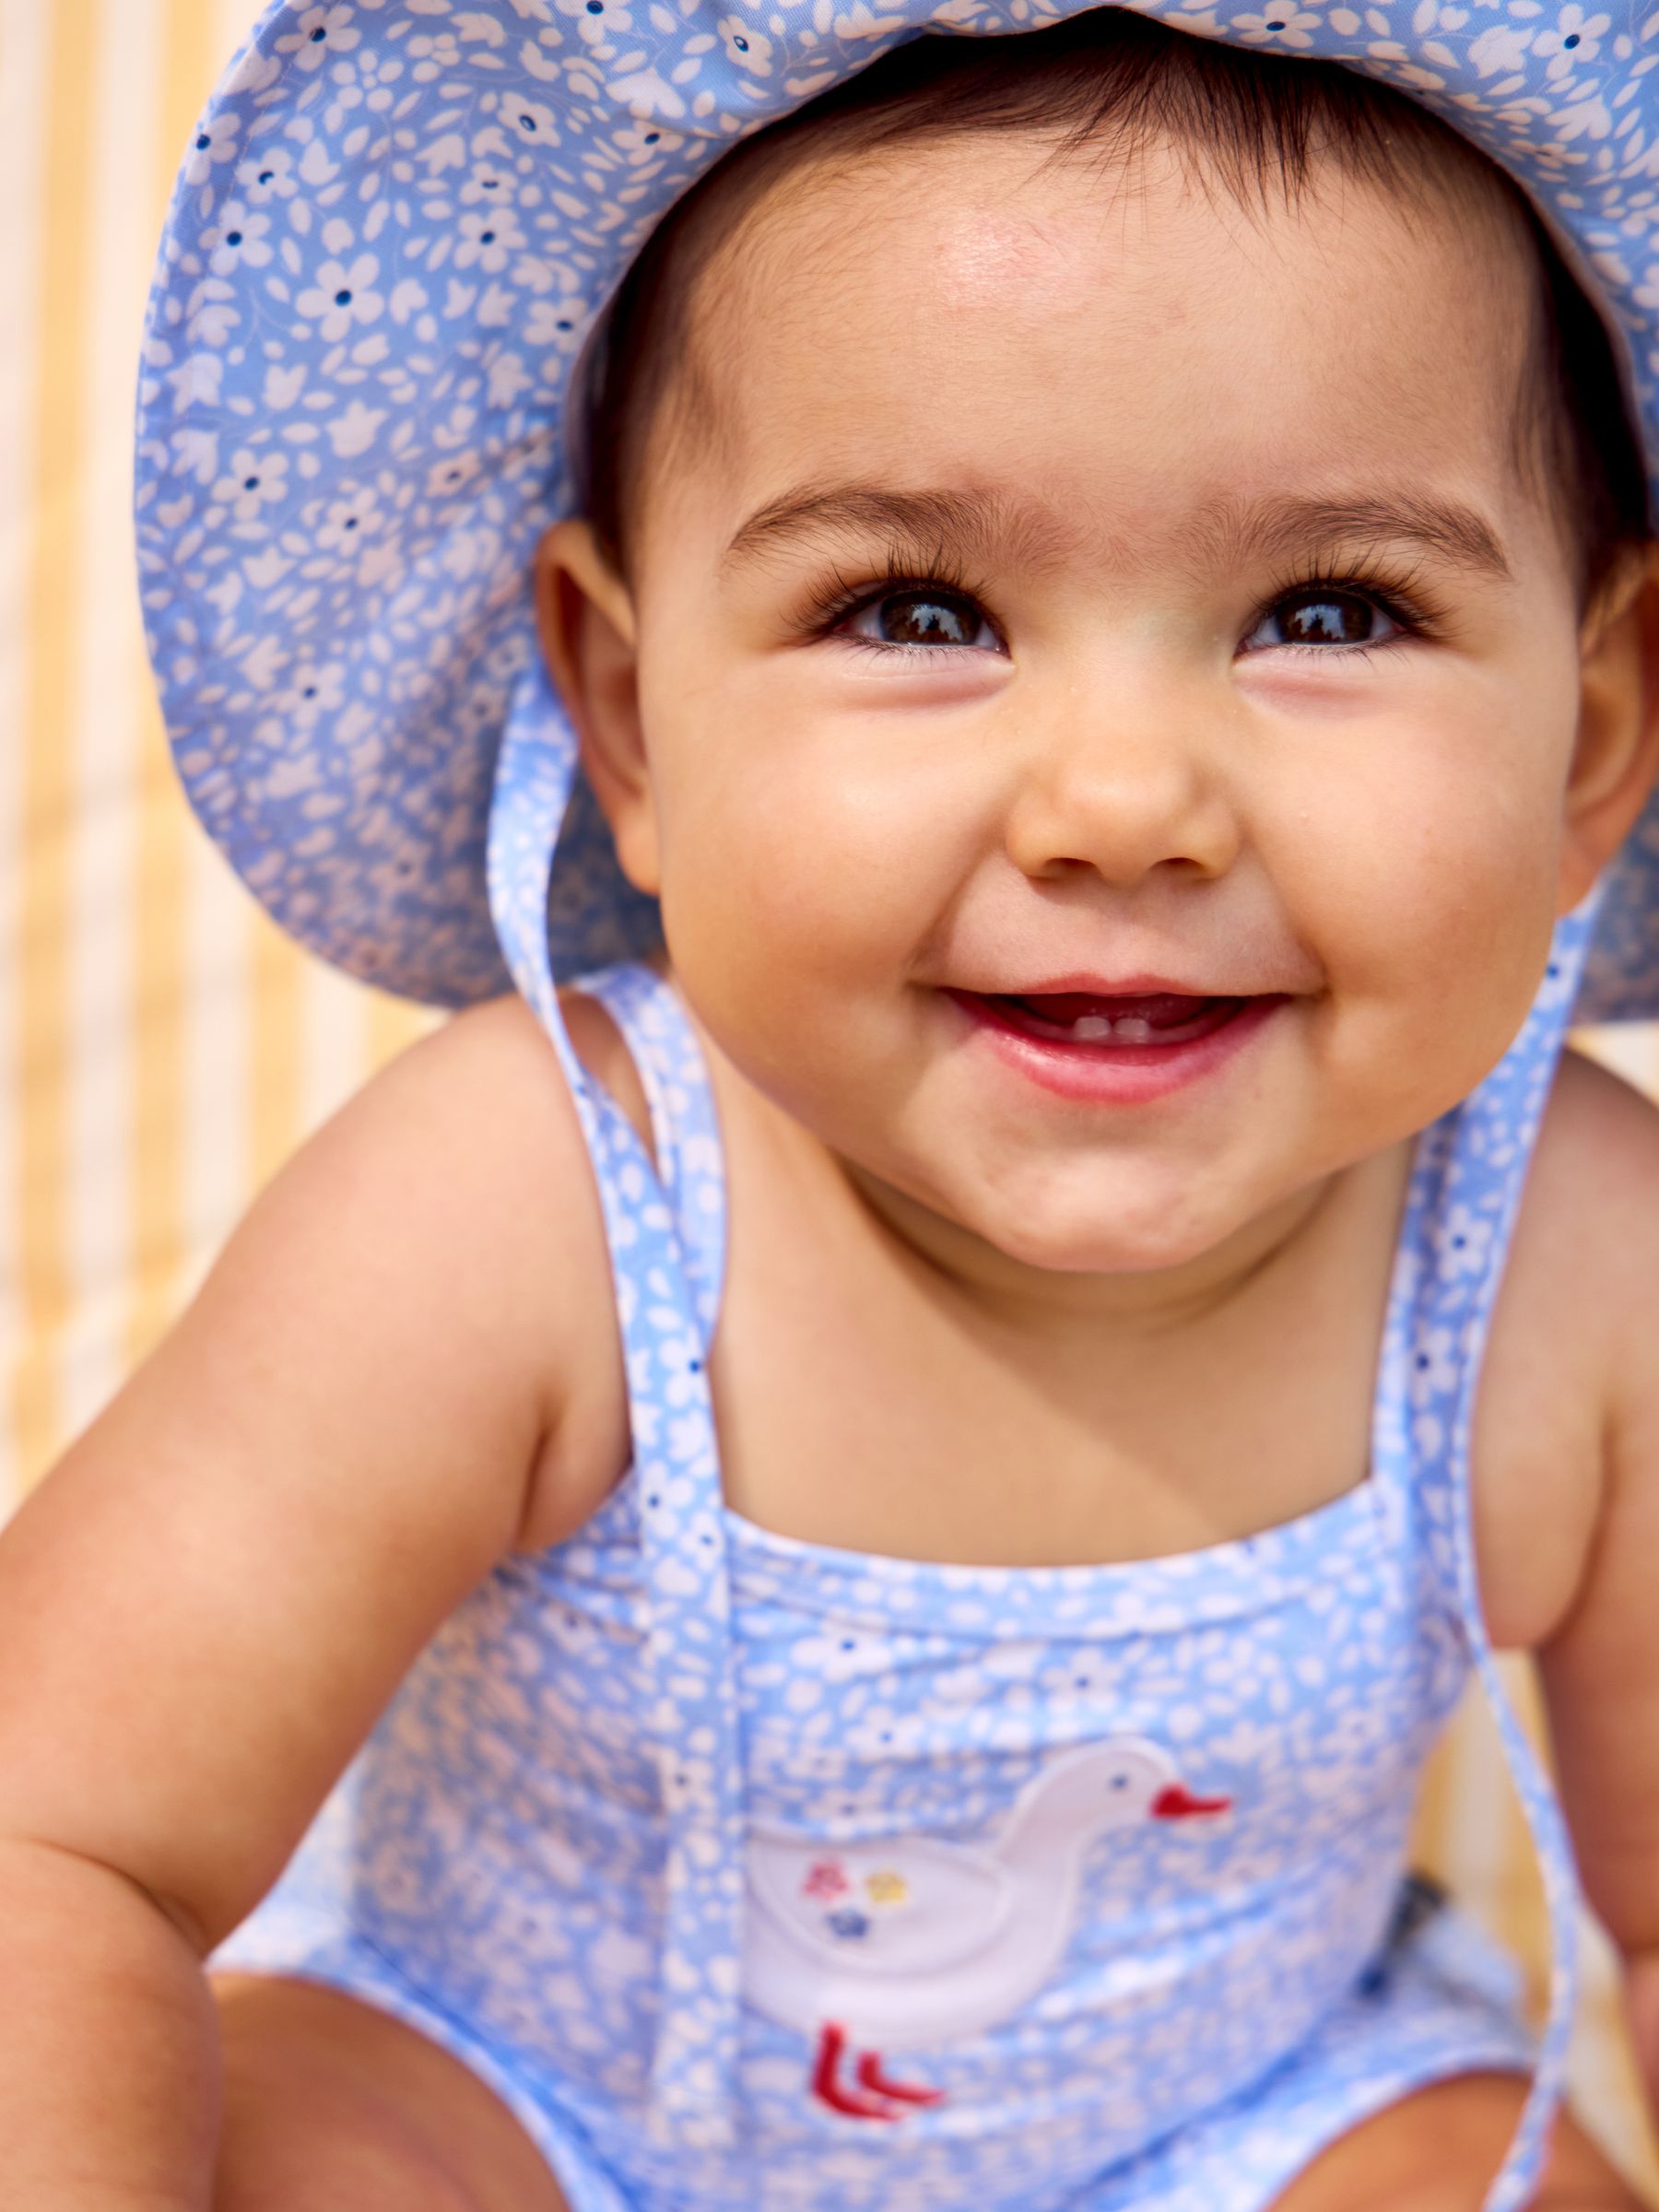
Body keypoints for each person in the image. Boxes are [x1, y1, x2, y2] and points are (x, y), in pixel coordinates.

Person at [3, 0, 1659, 2206]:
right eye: (914, 607)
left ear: (1589, 735)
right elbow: (60, 1840)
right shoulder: (539, 1209)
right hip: (517, 2092)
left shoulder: (1572, 1265)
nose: (1121, 805)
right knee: (284, 2145)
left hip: (1246, 2120)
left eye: (1330, 608)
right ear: (629, 713)